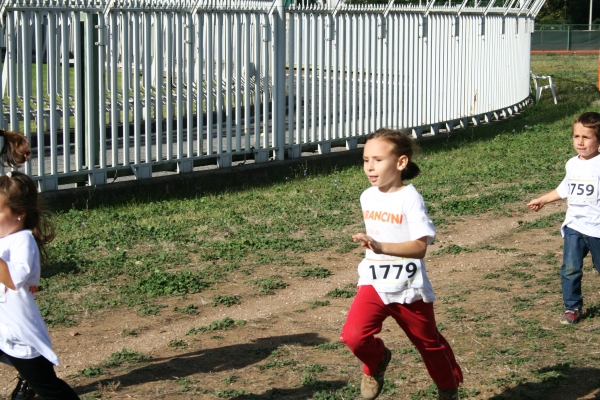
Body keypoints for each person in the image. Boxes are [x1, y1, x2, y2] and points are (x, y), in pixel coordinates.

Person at [340, 128, 463, 400]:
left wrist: (382, 247)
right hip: (374, 281)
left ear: (401, 163)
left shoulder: (410, 198)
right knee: (354, 336)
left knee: (428, 345)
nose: (370, 167)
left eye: (378, 160)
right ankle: (377, 361)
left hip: (408, 287)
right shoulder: (367, 196)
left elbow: (420, 248)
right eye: (365, 160)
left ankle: (447, 388)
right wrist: (374, 247)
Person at [0, 129, 80, 400]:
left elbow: (12, 279)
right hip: (5, 328)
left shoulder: (23, 241)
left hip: (21, 335)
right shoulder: (6, 237)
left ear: (20, 214)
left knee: (49, 388)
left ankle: (31, 381)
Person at [527, 111, 600, 325]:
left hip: (596, 229)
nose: (580, 142)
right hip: (574, 226)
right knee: (570, 268)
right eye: (576, 136)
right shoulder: (572, 164)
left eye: (586, 137)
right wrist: (543, 199)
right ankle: (572, 307)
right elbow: (565, 188)